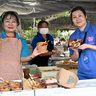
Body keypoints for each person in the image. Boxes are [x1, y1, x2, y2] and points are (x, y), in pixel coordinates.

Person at [0, 11, 44, 80]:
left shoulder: (21, 41)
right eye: (7, 21)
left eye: (13, 21)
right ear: (2, 24)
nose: (10, 24)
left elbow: (21, 59)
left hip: (16, 77)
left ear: (17, 24)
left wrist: (33, 55)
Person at [69, 6, 96, 80]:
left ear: (85, 16)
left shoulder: (94, 29)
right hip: (82, 75)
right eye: (74, 17)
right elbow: (74, 59)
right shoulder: (73, 36)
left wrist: (88, 46)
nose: (77, 19)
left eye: (80, 16)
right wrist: (75, 52)